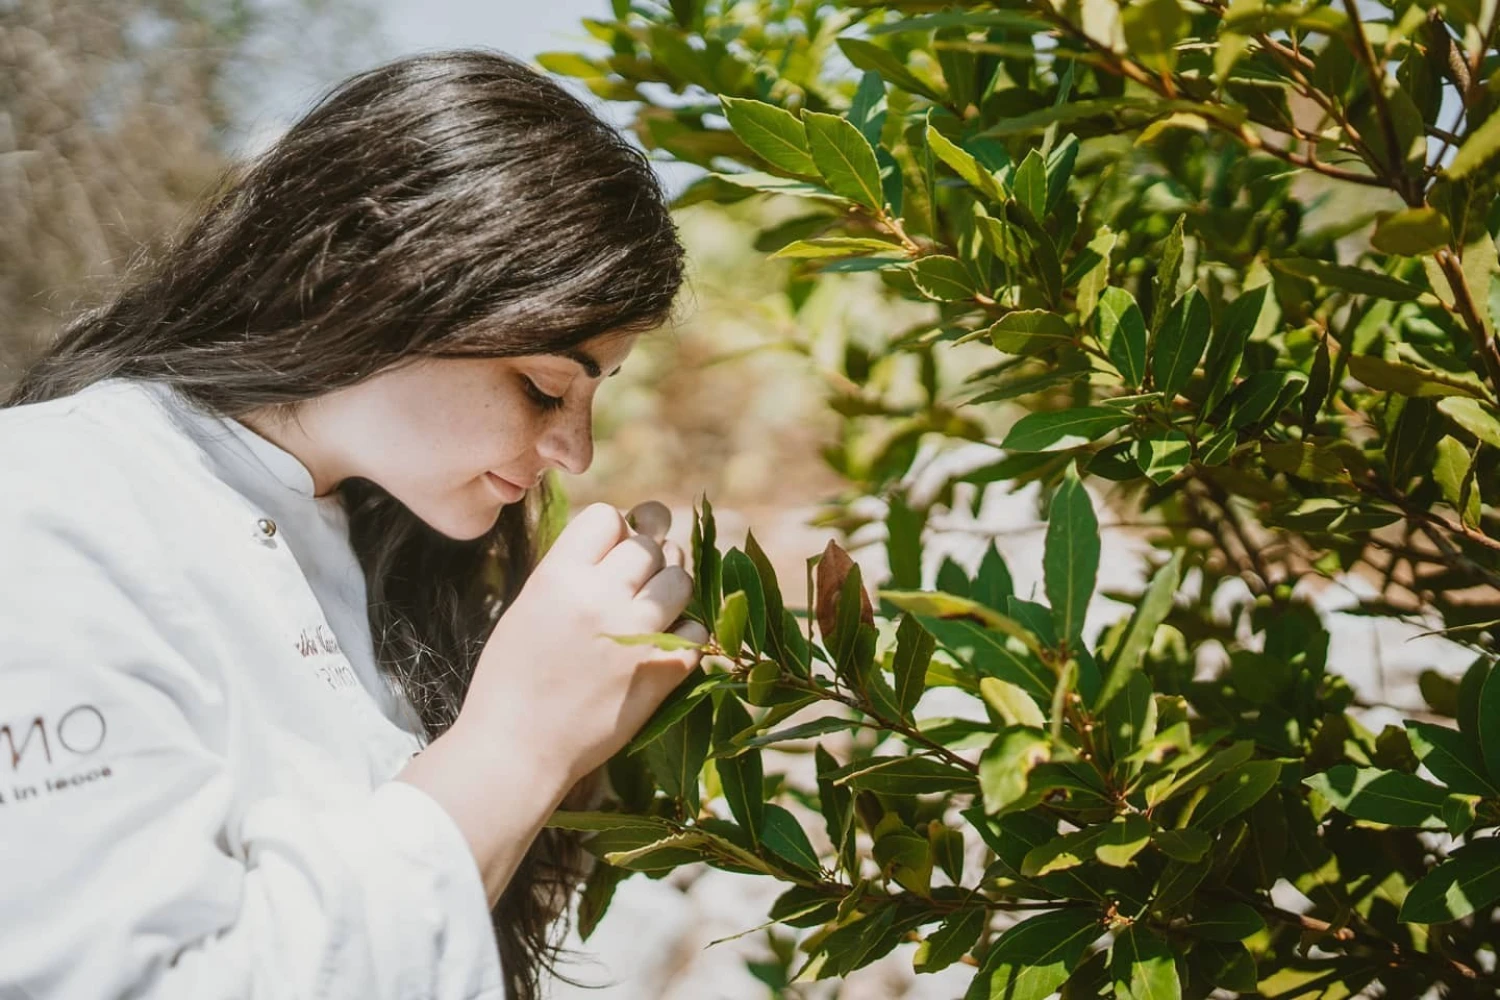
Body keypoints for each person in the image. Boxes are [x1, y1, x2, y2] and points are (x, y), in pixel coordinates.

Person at [0, 48, 709, 1000]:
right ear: (380, 275)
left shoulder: (395, 548)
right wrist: (520, 740)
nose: (574, 452)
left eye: (593, 397)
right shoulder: (48, 509)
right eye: (545, 387)